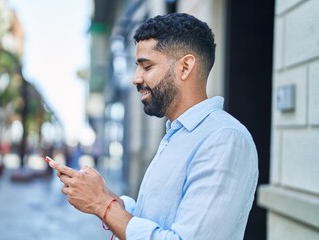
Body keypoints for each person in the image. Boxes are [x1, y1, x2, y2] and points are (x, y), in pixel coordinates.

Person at [49, 13, 258, 240]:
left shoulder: (224, 139)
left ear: (185, 67)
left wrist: (102, 204)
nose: (136, 79)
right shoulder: (178, 134)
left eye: (146, 67)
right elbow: (156, 222)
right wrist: (101, 194)